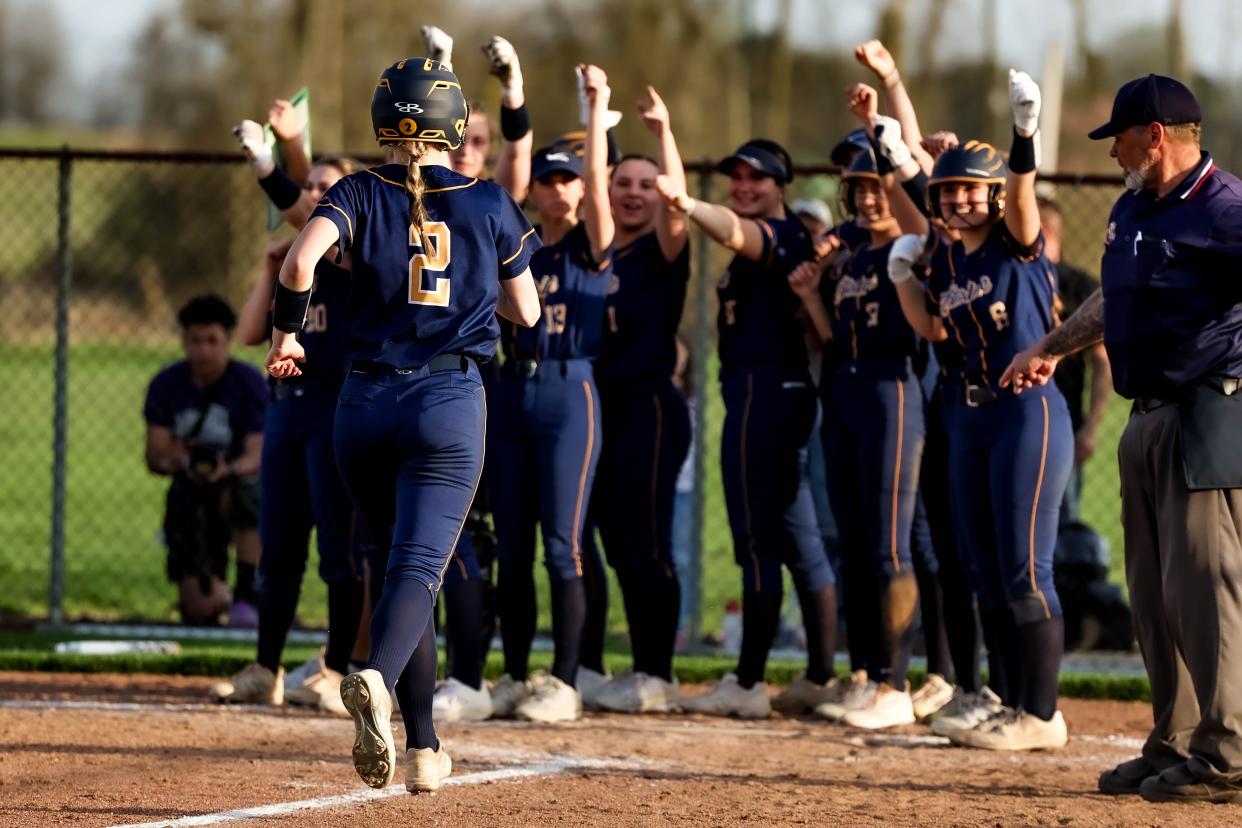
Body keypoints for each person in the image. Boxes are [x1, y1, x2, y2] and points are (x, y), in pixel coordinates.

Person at [265, 56, 540, 794]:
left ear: (384, 120)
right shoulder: (486, 201)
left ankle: (423, 748)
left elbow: (298, 264)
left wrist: (287, 337)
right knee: (422, 570)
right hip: (447, 400)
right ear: (453, 127)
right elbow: (529, 312)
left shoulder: (356, 189)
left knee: (392, 570)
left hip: (359, 403)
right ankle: (376, 679)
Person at [1003, 74, 1242, 802]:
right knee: (1153, 593)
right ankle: (1175, 737)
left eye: (1121, 137)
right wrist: (1052, 344)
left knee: (1205, 587)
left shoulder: (1223, 207)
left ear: (1157, 135)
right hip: (1147, 416)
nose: (1113, 153)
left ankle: (1229, 753)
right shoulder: (1136, 206)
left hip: (1208, 410)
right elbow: (1117, 297)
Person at [887, 70, 1073, 750]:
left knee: (1026, 570)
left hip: (1025, 411)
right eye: (951, 190)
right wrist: (906, 274)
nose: (962, 199)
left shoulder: (1012, 240)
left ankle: (1042, 716)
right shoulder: (948, 260)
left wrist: (1024, 133)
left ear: (992, 195)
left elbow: (1022, 197)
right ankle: (1012, 701)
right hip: (967, 418)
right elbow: (933, 329)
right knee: (984, 573)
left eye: (972, 189)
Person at [657, 139, 838, 719]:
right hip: (770, 395)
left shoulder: (780, 235)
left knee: (758, 541)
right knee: (801, 543)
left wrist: (686, 203)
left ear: (781, 184)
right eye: (736, 176)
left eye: (757, 178)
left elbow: (737, 232)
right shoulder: (779, 238)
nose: (744, 185)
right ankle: (819, 675)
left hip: (766, 396)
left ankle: (749, 680)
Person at [208, 129, 368, 712]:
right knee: (278, 550)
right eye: (309, 185)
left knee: (338, 552)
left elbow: (311, 215)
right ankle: (265, 667)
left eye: (327, 188)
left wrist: (264, 165)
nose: (314, 196)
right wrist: (267, 269)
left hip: (334, 411)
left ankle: (336, 668)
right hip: (287, 415)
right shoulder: (299, 266)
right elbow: (252, 334)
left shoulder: (354, 259)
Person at [486, 64, 615, 724]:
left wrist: (594, 109)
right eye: (549, 177)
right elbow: (504, 186)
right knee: (512, 543)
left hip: (571, 392)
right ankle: (511, 674)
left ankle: (564, 680)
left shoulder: (592, 247)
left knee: (561, 544)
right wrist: (513, 101)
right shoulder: (522, 246)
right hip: (512, 393)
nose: (559, 187)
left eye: (567, 178)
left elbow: (598, 184)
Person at [420, 26, 537, 724]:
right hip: (414, 375)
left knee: (471, 531)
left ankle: (473, 673)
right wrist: (439, 67)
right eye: (454, 139)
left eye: (476, 144)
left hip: (474, 379)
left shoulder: (492, 196)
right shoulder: (409, 194)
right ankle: (440, 670)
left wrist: (511, 86)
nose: (464, 153)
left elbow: (517, 159)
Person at [788, 145, 924, 730]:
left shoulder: (911, 247)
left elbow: (923, 221)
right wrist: (811, 295)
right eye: (858, 187)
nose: (869, 197)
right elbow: (831, 340)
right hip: (844, 390)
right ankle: (867, 671)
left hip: (892, 390)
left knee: (891, 543)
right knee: (857, 542)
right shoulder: (847, 256)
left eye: (878, 186)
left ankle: (897, 682)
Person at [585, 85, 692, 714]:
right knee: (605, 540)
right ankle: (604, 665)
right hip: (595, 409)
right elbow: (589, 187)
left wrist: (662, 133)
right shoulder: (592, 248)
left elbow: (677, 208)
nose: (632, 191)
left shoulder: (662, 248)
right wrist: (595, 122)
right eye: (622, 181)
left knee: (646, 542)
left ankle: (657, 670)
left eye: (644, 184)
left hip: (648, 408)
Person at [143, 295, 267, 627]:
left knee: (251, 490)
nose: (204, 350)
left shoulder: (248, 383)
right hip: (189, 494)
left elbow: (257, 453)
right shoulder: (166, 385)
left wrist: (228, 469)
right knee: (198, 611)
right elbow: (154, 455)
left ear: (228, 340)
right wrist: (180, 460)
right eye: (195, 341)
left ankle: (247, 593)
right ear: (184, 340)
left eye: (212, 341)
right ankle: (218, 595)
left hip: (233, 486)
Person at [1035, 197, 1112, 524]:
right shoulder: (1009, 278)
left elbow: (1103, 362)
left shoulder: (1081, 287)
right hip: (1010, 417)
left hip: (1064, 423)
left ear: (1045, 231)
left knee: (1061, 525)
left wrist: (1090, 428)